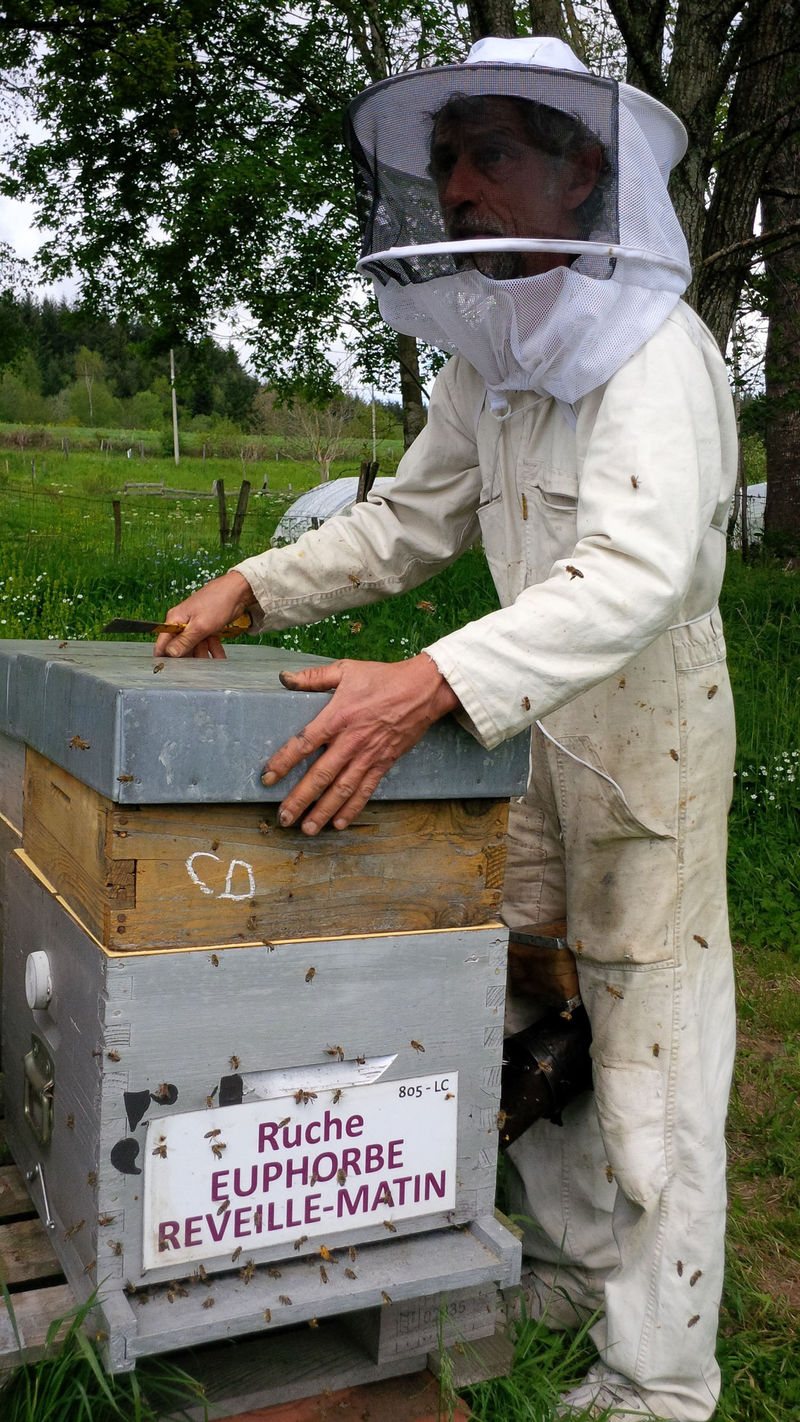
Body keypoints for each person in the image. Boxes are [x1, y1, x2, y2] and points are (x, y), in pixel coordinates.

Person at [155, 36, 737, 1422]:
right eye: (449, 160)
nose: (462, 187)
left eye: (493, 154)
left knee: (652, 1043)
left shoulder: (653, 347)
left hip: (644, 733)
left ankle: (661, 1373)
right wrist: (256, 579)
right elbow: (409, 520)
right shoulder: (494, 352)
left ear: (583, 171)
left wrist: (424, 681)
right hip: (519, 722)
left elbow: (638, 574)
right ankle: (574, 1266)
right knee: (532, 999)